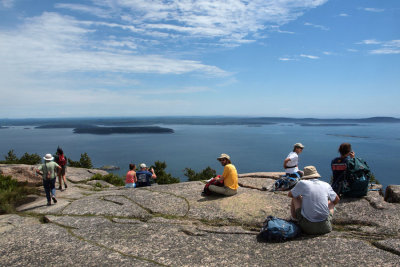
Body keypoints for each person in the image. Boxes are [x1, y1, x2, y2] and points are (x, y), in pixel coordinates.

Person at [288, 166, 340, 235]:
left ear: (305, 176)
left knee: (295, 196)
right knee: (331, 203)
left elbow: (290, 194)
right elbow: (337, 199)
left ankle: (294, 219)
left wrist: (303, 198)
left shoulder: (302, 183)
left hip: (307, 228)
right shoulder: (326, 185)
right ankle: (325, 219)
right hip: (325, 227)